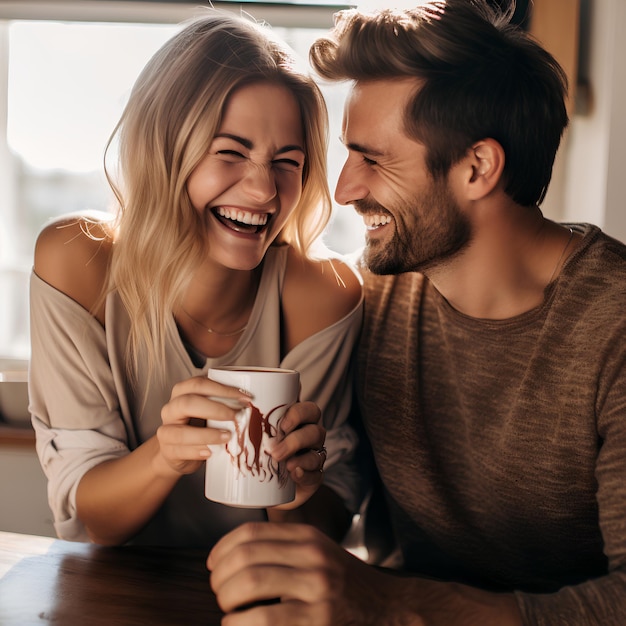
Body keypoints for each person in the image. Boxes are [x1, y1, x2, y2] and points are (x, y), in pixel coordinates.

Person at [206, 1, 626, 624]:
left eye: (373, 160)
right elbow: (336, 505)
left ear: (477, 167)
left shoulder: (613, 327)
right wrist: (301, 485)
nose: (344, 188)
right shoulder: (370, 296)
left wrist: (390, 603)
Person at [29, 11, 363, 548]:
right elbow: (90, 516)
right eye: (230, 153)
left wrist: (299, 487)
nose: (263, 191)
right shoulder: (76, 264)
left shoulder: (323, 293)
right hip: (117, 594)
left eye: (288, 162)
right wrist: (165, 454)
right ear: (163, 149)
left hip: (260, 589)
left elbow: (321, 530)